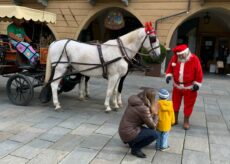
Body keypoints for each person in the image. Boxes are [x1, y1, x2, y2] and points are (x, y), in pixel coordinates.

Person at [165, 44, 203, 130]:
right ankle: (175, 119)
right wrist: (168, 76)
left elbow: (199, 72)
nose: (180, 56)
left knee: (189, 104)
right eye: (179, 55)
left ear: (186, 53)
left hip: (189, 87)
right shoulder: (175, 58)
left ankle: (186, 121)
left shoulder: (194, 59)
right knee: (175, 102)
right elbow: (170, 68)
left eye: (182, 55)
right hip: (177, 85)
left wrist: (197, 84)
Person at [118, 88, 158, 158]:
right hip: (128, 133)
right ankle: (135, 149)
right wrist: (156, 115)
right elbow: (152, 126)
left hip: (123, 130)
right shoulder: (143, 108)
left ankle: (131, 142)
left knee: (145, 130)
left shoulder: (136, 100)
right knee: (154, 134)